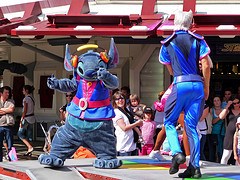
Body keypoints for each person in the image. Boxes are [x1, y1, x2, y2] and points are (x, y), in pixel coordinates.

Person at [159, 10, 211, 178]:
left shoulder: (167, 43)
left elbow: (169, 67)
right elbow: (206, 64)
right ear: (190, 23)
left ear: (175, 22)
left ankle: (176, 153)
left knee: (169, 121)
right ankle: (194, 168)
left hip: (180, 84)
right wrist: (207, 87)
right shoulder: (199, 40)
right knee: (191, 127)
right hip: (197, 85)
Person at [112, 91, 143, 156]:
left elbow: (132, 124)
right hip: (124, 146)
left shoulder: (127, 111)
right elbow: (124, 128)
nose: (120, 100)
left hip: (132, 144)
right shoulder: (117, 112)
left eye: (122, 98)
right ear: (114, 101)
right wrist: (137, 123)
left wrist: (140, 135)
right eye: (117, 99)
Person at [219, 97, 240, 164]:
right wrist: (227, 106)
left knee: (238, 155)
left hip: (239, 134)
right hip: (229, 134)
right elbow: (221, 117)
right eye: (234, 103)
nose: (236, 105)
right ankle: (221, 169)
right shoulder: (228, 110)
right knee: (226, 154)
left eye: (238, 103)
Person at [18, 85, 35, 156]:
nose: (22, 91)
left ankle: (29, 146)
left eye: (23, 90)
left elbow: (25, 110)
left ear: (26, 91)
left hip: (27, 118)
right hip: (32, 117)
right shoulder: (32, 98)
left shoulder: (26, 99)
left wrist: (21, 119)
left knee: (20, 133)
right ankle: (29, 150)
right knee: (29, 135)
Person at [0, 86, 15, 162]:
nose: (7, 94)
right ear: (1, 93)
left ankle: (12, 161)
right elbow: (9, 110)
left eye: (8, 92)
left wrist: (2, 110)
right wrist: (7, 110)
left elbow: (11, 109)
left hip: (9, 125)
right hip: (0, 125)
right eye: (6, 92)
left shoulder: (11, 101)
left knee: (10, 145)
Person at [209, 96, 225, 162]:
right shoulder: (211, 110)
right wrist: (220, 117)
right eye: (215, 101)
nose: (217, 102)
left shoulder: (224, 109)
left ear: (220, 101)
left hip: (223, 132)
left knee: (222, 149)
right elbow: (212, 122)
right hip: (214, 132)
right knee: (214, 150)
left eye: (218, 100)